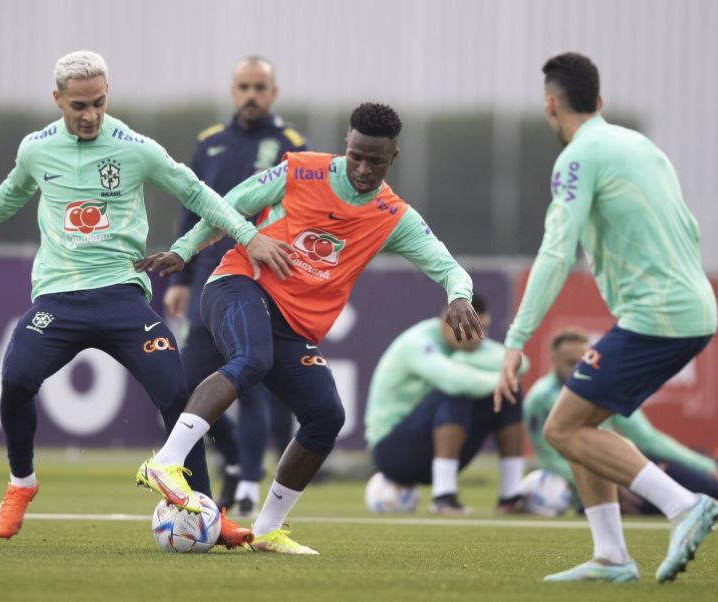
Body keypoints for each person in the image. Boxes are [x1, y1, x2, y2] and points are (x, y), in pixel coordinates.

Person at [0, 50, 292, 545]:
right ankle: (21, 483)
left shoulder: (135, 148)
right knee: (15, 379)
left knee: (180, 398)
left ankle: (209, 513)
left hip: (123, 298)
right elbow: (12, 192)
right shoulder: (36, 150)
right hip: (58, 301)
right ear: (57, 99)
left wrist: (248, 236)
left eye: (99, 103)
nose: (90, 115)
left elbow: (198, 193)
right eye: (79, 105)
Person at [134, 102, 486, 554]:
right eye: (356, 155)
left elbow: (447, 265)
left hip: (293, 325)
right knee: (251, 359)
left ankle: (264, 531)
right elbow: (228, 206)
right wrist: (183, 252)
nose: (362, 167)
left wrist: (458, 294)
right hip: (239, 285)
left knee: (326, 416)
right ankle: (165, 462)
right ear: (347, 144)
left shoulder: (392, 216)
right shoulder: (301, 171)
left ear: (392, 157)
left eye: (374, 161)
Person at [494, 53, 718, 583]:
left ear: (550, 104)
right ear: (600, 101)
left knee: (561, 427)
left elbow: (556, 253)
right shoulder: (639, 145)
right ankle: (611, 556)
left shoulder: (578, 157)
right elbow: (687, 227)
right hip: (689, 306)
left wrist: (516, 339)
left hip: (658, 315)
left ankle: (685, 506)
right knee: (578, 422)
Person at [163, 56, 308, 514]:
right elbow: (191, 206)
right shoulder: (211, 143)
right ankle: (228, 461)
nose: (251, 95)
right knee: (186, 384)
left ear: (274, 92)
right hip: (210, 275)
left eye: (259, 87)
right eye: (243, 86)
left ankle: (247, 482)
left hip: (262, 276)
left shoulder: (292, 146)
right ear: (233, 91)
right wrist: (183, 275)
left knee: (254, 379)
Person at [523, 328, 718, 515]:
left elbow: (646, 438)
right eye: (569, 362)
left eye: (581, 361)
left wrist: (702, 464)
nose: (575, 368)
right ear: (553, 360)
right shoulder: (539, 399)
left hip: (616, 466)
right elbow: (549, 459)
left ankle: (696, 503)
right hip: (587, 477)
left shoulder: (596, 386)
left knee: (712, 487)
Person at [364, 295, 530, 515]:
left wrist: (468, 365)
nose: (478, 338)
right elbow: (453, 381)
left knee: (511, 392)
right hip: (393, 453)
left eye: (484, 329)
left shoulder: (470, 344)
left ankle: (510, 497)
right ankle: (443, 498)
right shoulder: (417, 341)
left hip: (434, 452)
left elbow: (521, 363)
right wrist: (501, 379)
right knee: (459, 391)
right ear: (447, 320)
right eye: (470, 329)